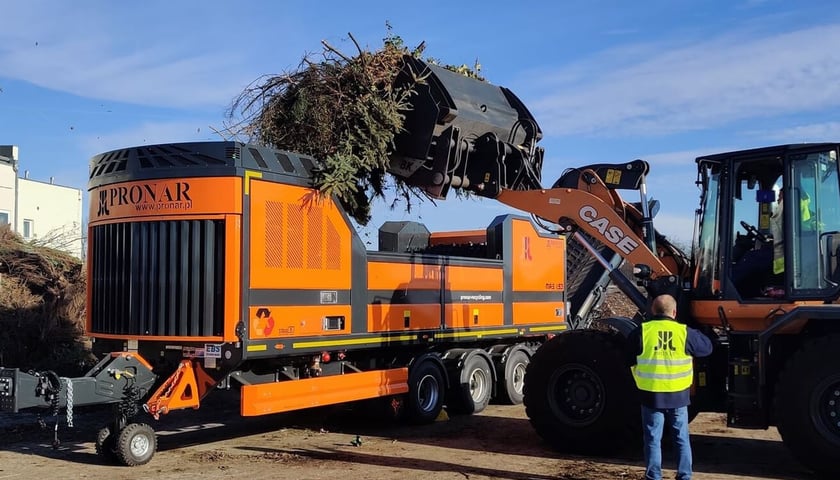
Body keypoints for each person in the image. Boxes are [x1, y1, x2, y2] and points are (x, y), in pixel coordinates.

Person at [627, 294, 713, 480]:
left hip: (651, 395)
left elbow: (628, 356)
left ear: (652, 310)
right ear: (674, 312)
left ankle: (654, 476)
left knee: (652, 439)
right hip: (679, 396)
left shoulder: (643, 331)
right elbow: (707, 348)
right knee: (681, 438)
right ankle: (684, 476)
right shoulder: (683, 332)